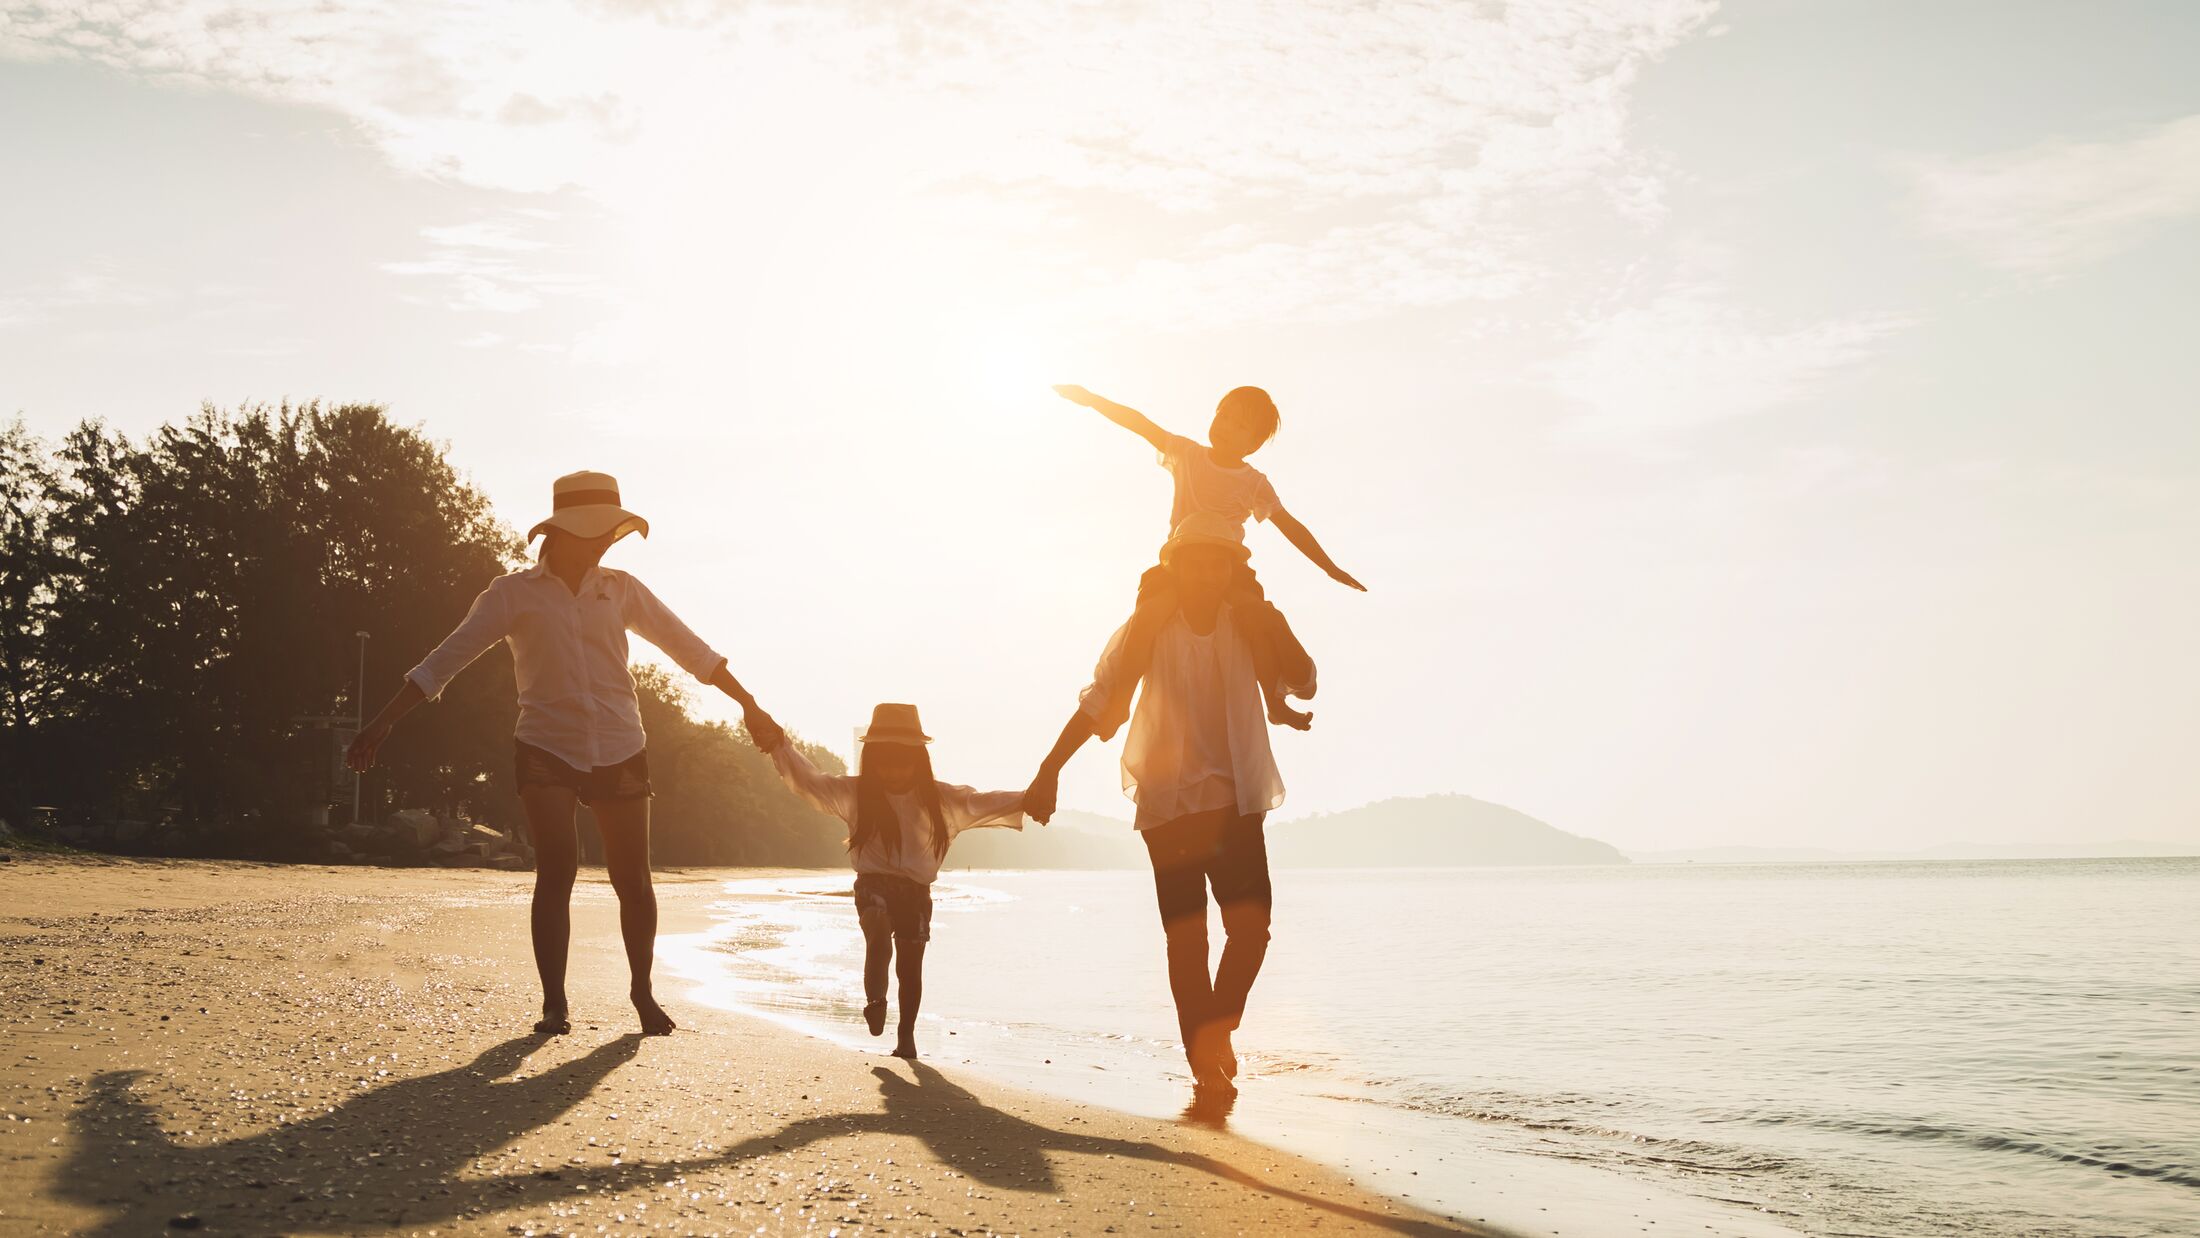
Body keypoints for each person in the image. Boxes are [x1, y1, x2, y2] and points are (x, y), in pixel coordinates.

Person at [345, 470, 774, 1037]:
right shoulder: (511, 595)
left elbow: (689, 648)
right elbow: (445, 660)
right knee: (557, 869)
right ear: (562, 532)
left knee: (633, 879)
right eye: (594, 532)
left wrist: (749, 704)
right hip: (546, 744)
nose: (603, 543)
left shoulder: (620, 589)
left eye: (607, 534)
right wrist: (381, 723)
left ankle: (643, 994)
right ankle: (555, 1003)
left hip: (620, 743)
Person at [1022, 513, 1316, 1095]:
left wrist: (1270, 616)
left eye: (1219, 563)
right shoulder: (1149, 629)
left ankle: (1217, 1028)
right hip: (1169, 805)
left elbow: (1304, 682)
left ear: (1232, 570)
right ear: (1176, 569)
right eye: (1196, 563)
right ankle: (1203, 1060)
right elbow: (1102, 700)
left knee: (1251, 930)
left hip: (1236, 803)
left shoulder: (1249, 624)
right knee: (1187, 940)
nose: (1207, 574)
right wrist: (1048, 770)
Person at [1051, 382, 1362, 734]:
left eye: (1240, 425)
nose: (1227, 427)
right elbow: (1139, 423)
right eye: (1224, 416)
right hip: (1177, 564)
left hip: (1227, 568)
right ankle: (1120, 701)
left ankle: (1274, 702)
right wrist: (1092, 400)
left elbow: (1290, 526)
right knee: (1148, 616)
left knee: (1254, 615)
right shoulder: (1186, 453)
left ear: (1254, 444)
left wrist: (1330, 567)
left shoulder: (1254, 483)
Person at [744, 703, 1027, 1059]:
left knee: (910, 968)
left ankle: (905, 1036)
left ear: (918, 759)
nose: (893, 770)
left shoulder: (939, 798)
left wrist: (1032, 797)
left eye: (903, 760)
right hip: (873, 884)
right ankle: (876, 999)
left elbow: (981, 802)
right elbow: (809, 781)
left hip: (916, 893)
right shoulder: (857, 792)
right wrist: (779, 746)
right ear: (871, 758)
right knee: (878, 935)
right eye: (884, 760)